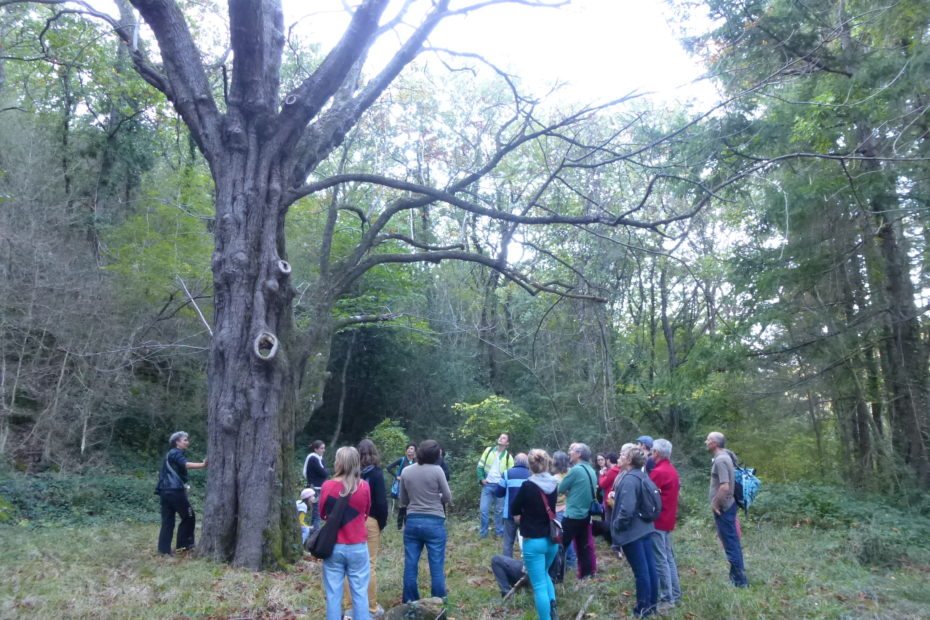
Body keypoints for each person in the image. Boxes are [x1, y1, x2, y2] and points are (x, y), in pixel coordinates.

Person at [319, 446, 372, 620]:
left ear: (338, 462)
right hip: (357, 545)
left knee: (334, 594)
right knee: (360, 593)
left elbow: (322, 514)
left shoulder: (327, 486)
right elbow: (365, 513)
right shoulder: (364, 486)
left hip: (333, 546)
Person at [399, 439, 453, 603]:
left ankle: (410, 601)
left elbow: (403, 499)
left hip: (413, 521)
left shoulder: (407, 471)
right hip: (434, 521)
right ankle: (438, 601)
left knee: (410, 563)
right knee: (436, 564)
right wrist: (437, 497)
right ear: (437, 455)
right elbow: (448, 497)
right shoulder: (438, 471)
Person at [511, 449, 561, 620]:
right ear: (547, 463)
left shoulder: (527, 486)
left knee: (538, 584)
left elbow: (514, 509)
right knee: (545, 574)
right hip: (552, 539)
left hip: (534, 541)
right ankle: (553, 608)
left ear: (530, 466)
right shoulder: (554, 484)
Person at [342, 439, 388, 618]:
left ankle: (350, 607)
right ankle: (370, 607)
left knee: (349, 565)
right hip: (370, 520)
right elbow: (381, 503)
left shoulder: (348, 474)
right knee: (369, 564)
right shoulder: (376, 474)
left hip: (349, 521)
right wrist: (379, 523)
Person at [612, 444, 659, 618]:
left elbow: (627, 509)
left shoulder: (629, 479)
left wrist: (617, 525)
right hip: (645, 528)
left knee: (641, 572)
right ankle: (652, 605)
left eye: (622, 454)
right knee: (649, 568)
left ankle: (642, 609)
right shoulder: (642, 475)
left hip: (633, 533)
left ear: (629, 460)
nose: (619, 457)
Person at [706, 431, 748, 587]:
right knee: (732, 542)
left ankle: (740, 582)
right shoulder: (724, 457)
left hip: (724, 508)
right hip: (727, 506)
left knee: (731, 544)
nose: (706, 442)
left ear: (715, 443)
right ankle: (736, 578)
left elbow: (724, 487)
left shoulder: (721, 460)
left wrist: (715, 504)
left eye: (708, 439)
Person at [155, 431, 207, 555]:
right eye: (185, 440)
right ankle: (184, 546)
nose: (187, 442)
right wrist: (203, 465)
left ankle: (164, 551)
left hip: (164, 491)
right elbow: (186, 465)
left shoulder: (171, 454)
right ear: (177, 442)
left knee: (168, 521)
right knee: (189, 517)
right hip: (175, 491)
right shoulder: (175, 453)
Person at [557, 442, 598, 579]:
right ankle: (586, 576)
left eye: (572, 450)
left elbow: (561, 488)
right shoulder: (591, 470)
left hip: (572, 515)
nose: (569, 452)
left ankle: (557, 576)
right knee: (583, 547)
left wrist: (570, 492)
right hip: (586, 515)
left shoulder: (575, 470)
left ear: (579, 454)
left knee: (560, 546)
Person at [476, 433, 514, 538]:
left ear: (507, 443)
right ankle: (483, 533)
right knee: (483, 509)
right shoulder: (488, 451)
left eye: (504, 438)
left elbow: (510, 473)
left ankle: (499, 533)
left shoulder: (508, 457)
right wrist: (481, 479)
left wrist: (505, 485)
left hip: (500, 486)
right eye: (500, 437)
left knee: (499, 511)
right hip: (487, 485)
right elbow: (480, 466)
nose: (501, 438)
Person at [495, 452, 530, 557]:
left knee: (508, 542)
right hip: (527, 515)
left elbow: (499, 493)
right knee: (527, 542)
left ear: (515, 461)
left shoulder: (506, 473)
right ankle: (527, 567)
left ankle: (507, 566)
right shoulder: (532, 475)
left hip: (509, 513)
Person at [551, 450, 576, 578]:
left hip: (560, 510)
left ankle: (565, 564)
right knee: (569, 537)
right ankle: (571, 563)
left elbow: (553, 497)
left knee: (561, 539)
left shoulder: (555, 479)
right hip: (570, 508)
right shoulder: (572, 473)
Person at [389, 443, 417, 530]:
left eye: (411, 448)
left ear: (415, 451)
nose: (409, 450)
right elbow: (389, 468)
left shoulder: (417, 461)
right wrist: (396, 476)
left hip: (412, 488)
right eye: (408, 448)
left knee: (410, 507)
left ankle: (408, 526)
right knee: (402, 507)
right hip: (402, 487)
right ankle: (399, 527)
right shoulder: (402, 460)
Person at [305, 440, 329, 529]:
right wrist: (326, 471)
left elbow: (325, 471)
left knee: (316, 513)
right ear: (315, 449)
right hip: (315, 489)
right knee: (317, 513)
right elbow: (325, 473)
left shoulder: (319, 458)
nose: (324, 450)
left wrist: (325, 471)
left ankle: (312, 533)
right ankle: (315, 533)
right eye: (322, 448)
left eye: (324, 448)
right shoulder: (313, 459)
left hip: (317, 488)